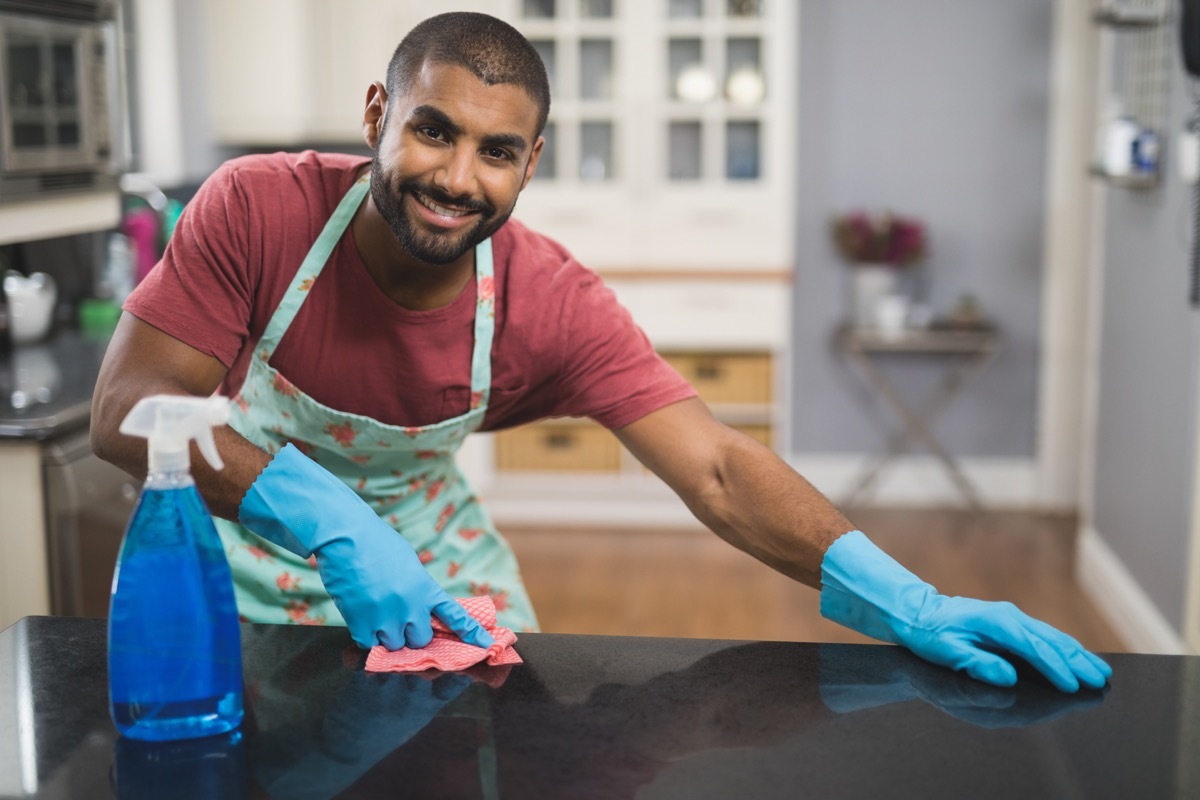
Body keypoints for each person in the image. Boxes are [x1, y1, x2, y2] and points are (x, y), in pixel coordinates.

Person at [91, 12, 1110, 693]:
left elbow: (714, 464)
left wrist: (904, 593)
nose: (457, 176)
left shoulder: (547, 300)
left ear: (531, 162)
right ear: (377, 115)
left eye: (496, 152)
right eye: (432, 131)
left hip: (438, 574)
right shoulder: (259, 209)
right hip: (222, 564)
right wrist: (331, 520)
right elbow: (125, 405)